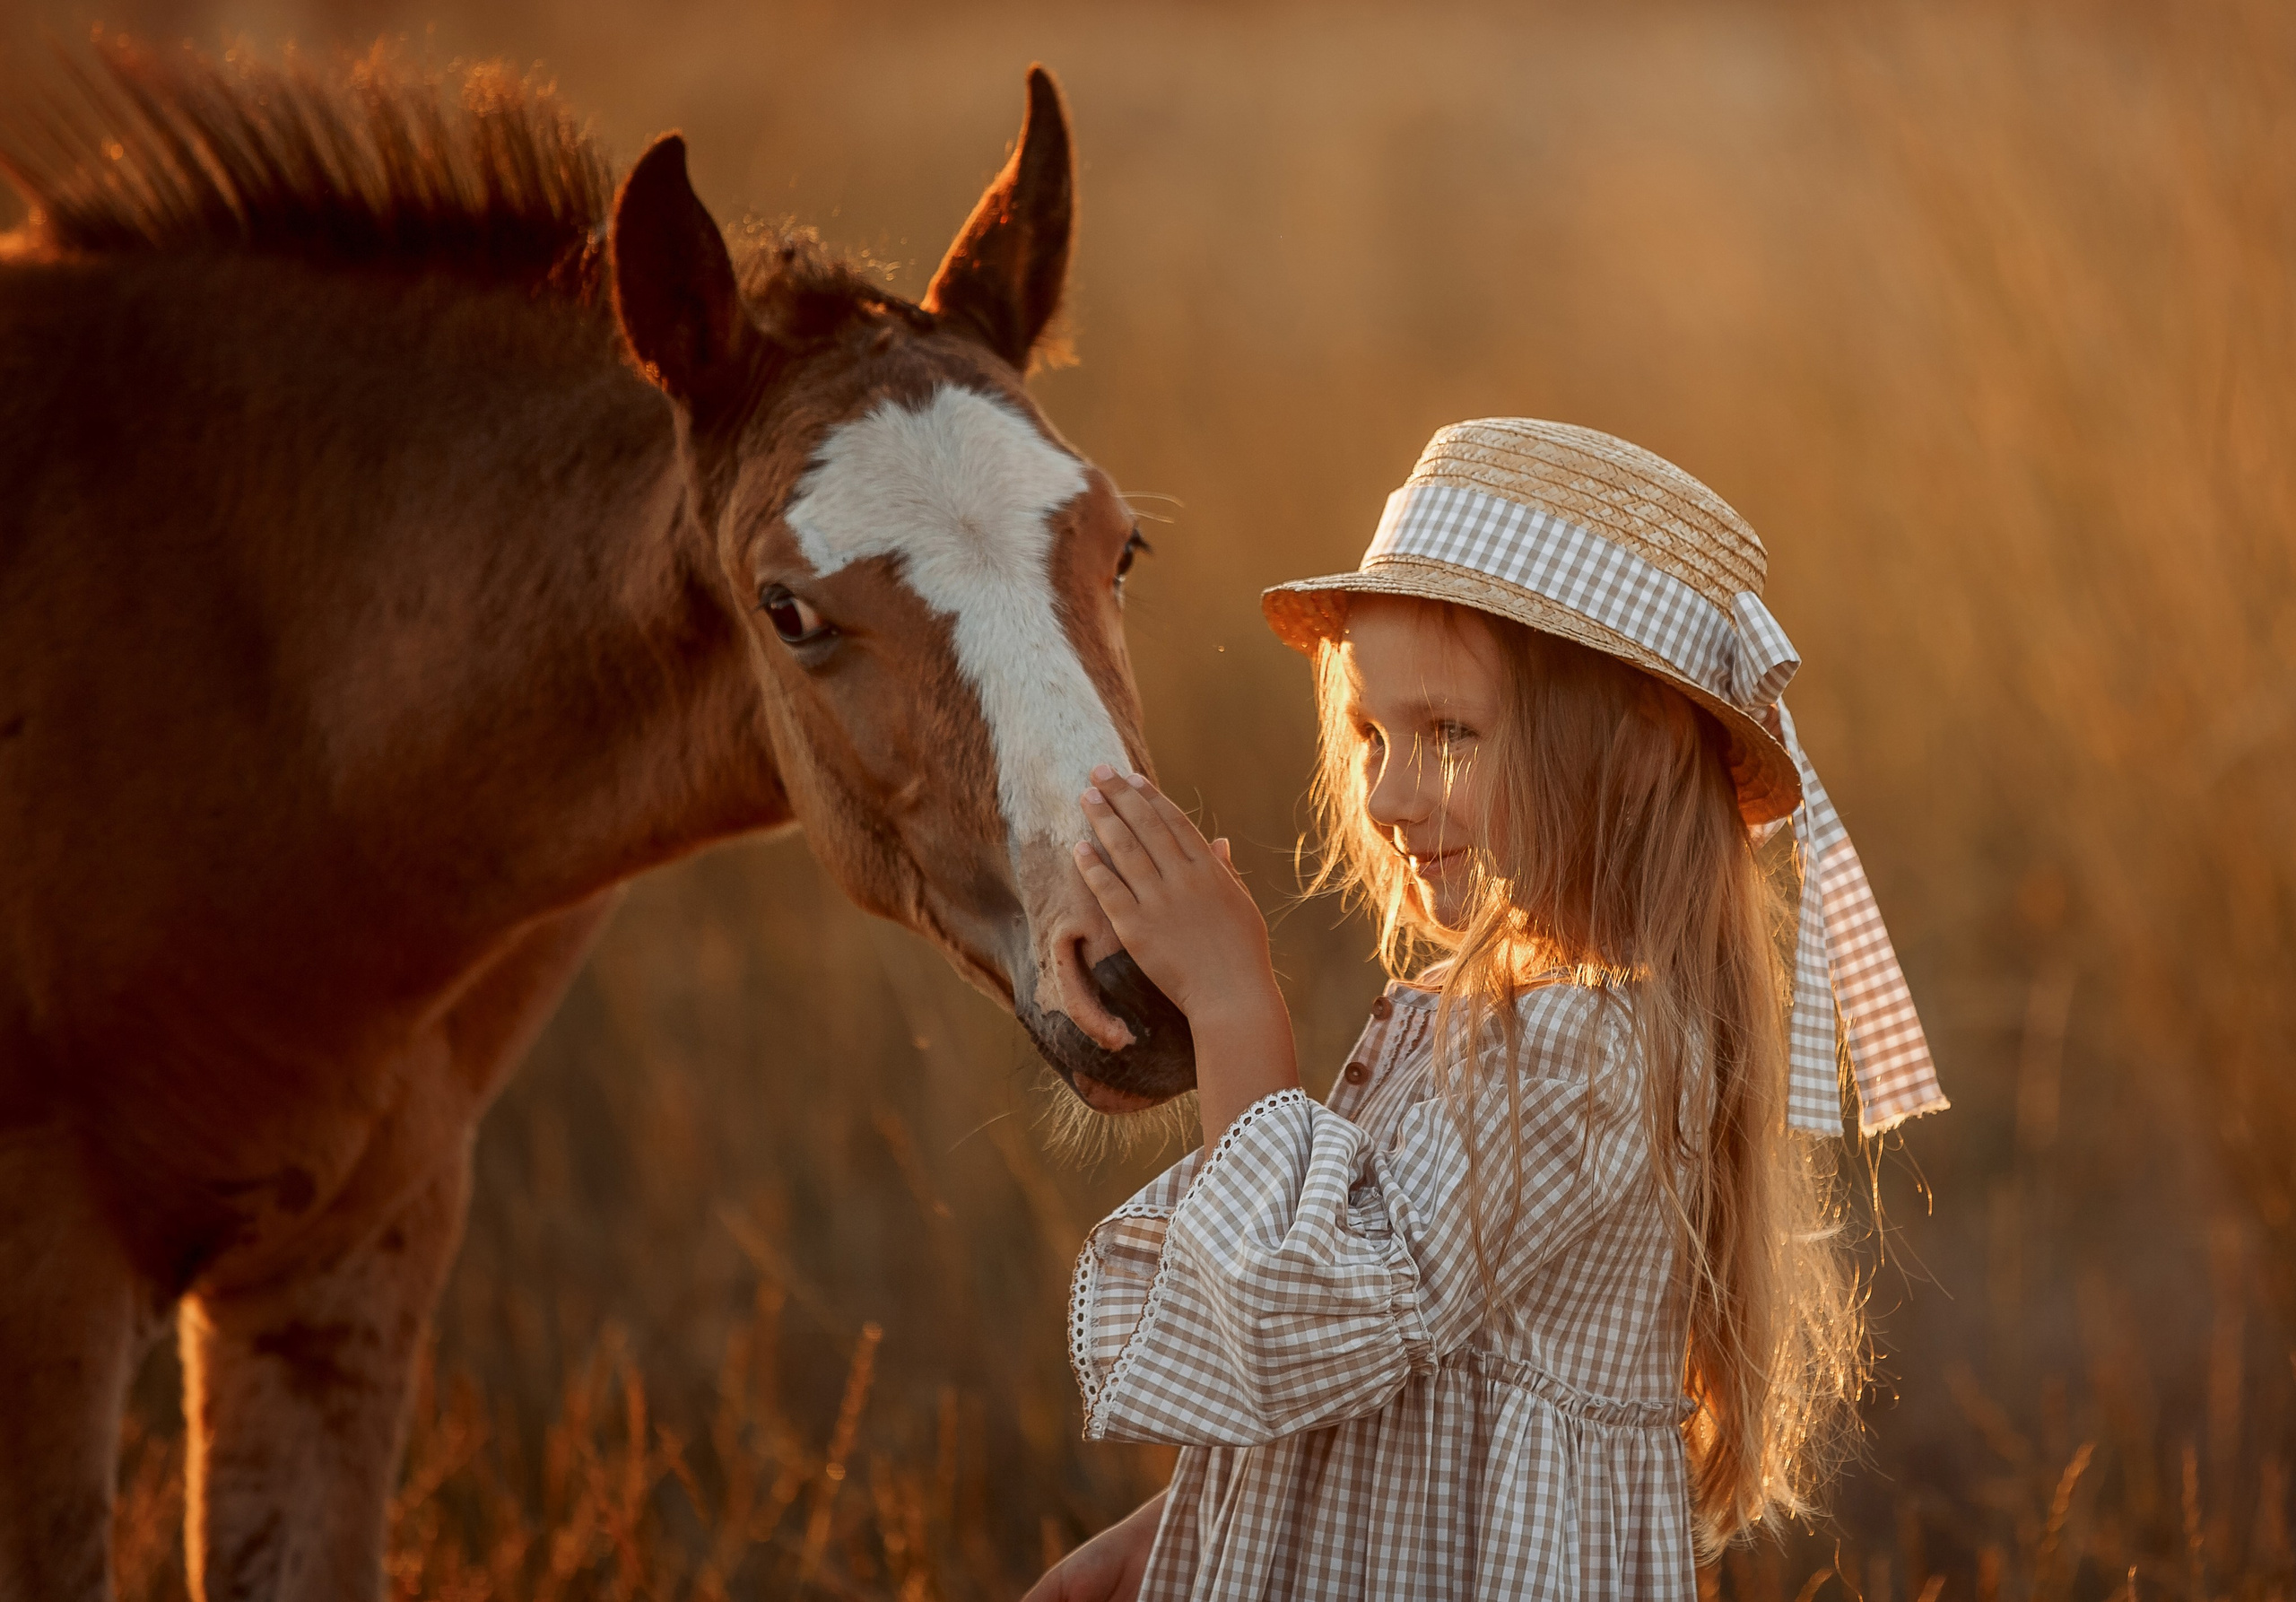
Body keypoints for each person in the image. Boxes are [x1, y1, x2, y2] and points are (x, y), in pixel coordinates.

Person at [1024, 418, 1949, 1601]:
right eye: (1371, 731)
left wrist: (1233, 1002)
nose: (1393, 791)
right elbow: (1386, 1379)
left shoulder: (1594, 1053)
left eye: (1451, 733)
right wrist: (1176, 1533)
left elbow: (1292, 1319)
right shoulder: (1492, 1022)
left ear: (1636, 753)